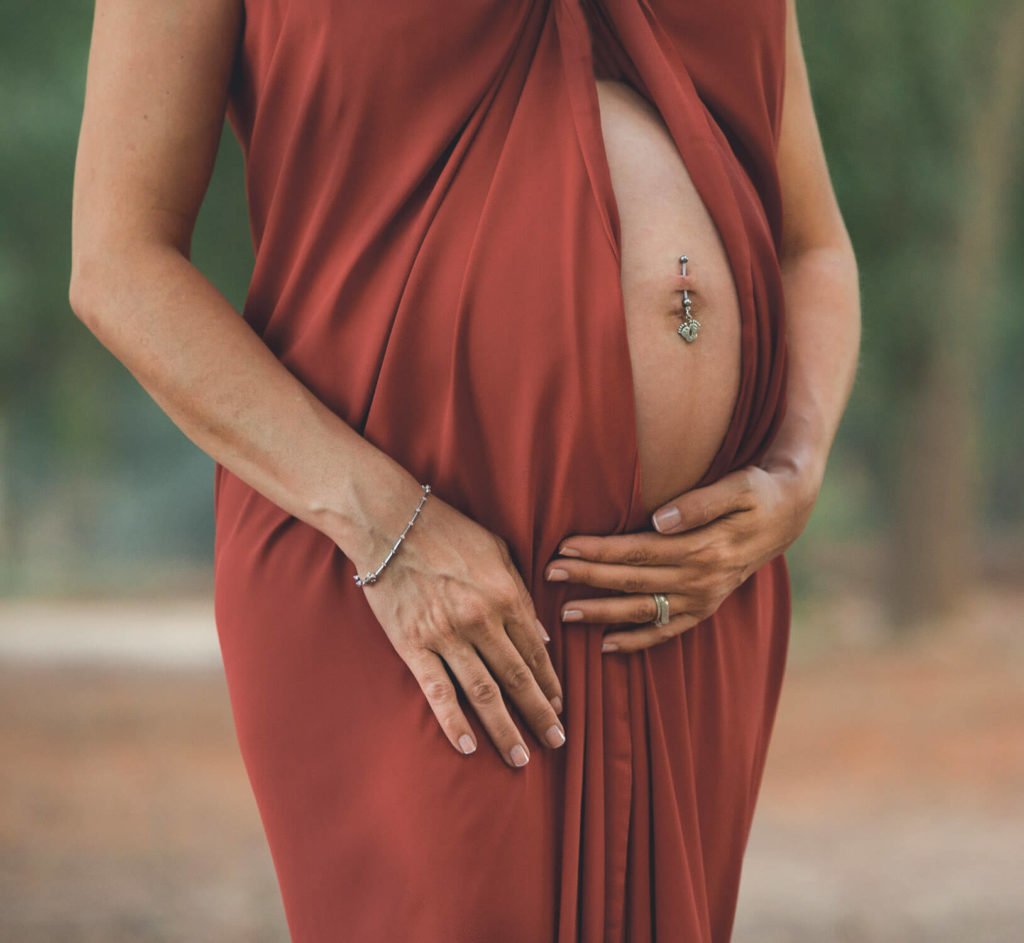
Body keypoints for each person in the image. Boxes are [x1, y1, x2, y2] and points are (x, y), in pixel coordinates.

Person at [69, 0, 860, 939]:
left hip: (687, 596)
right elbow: (117, 261)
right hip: (392, 581)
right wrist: (388, 529)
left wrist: (795, 467)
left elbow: (813, 245)